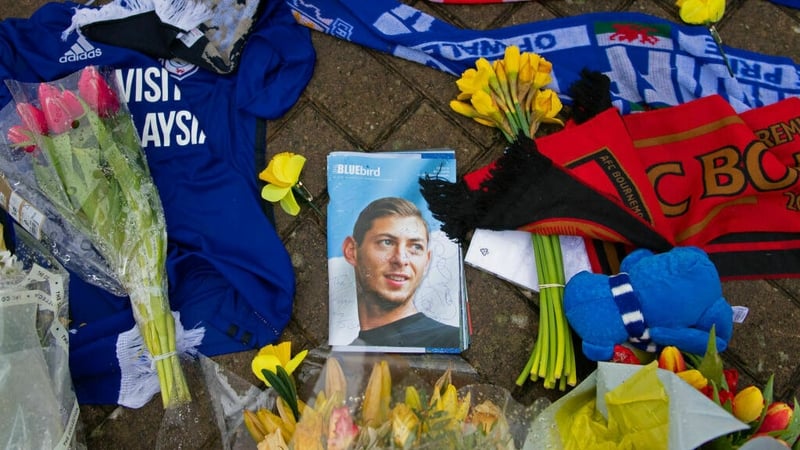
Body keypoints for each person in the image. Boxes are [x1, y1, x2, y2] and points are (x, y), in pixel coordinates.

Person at [342, 197, 461, 348]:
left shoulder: (452, 341)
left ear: (427, 261)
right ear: (351, 251)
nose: (401, 259)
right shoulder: (343, 353)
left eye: (416, 247)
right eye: (387, 242)